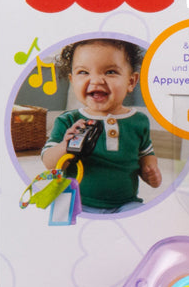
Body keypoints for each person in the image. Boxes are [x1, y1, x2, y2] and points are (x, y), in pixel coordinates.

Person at [42, 38, 162, 213]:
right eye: (84, 72)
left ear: (131, 82)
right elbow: (49, 162)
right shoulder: (68, 121)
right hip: (78, 203)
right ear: (72, 81)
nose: (96, 80)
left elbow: (146, 154)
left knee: (146, 218)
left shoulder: (138, 120)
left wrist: (150, 170)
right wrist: (65, 146)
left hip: (125, 203)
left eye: (110, 72)